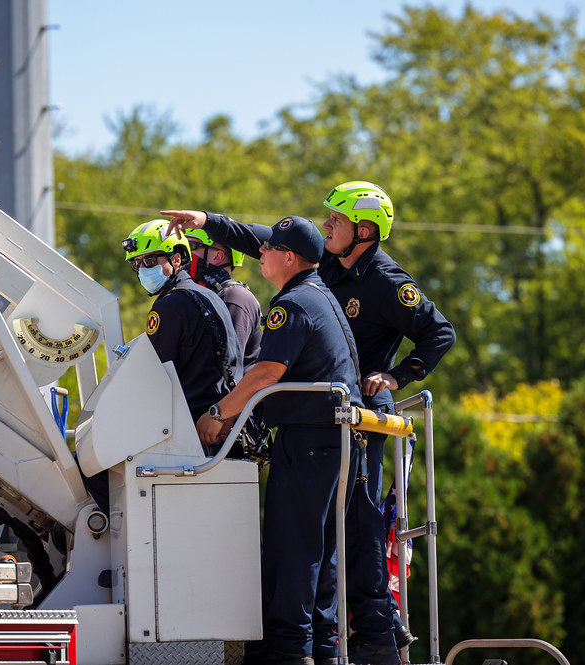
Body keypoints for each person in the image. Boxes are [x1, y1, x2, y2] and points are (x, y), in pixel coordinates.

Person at [165, 181, 454, 658]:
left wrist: (396, 376)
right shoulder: (326, 272)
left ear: (364, 231)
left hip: (358, 419)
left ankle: (377, 637)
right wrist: (208, 222)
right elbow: (267, 240)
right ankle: (331, 641)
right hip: (329, 420)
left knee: (355, 534)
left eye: (336, 221)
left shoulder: (384, 281)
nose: (327, 226)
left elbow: (438, 332)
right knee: (329, 542)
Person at [194, 215, 397, 665]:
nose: (260, 253)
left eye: (268, 249)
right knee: (320, 553)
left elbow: (268, 372)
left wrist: (218, 414)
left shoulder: (294, 304)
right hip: (337, 444)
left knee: (294, 549)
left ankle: (287, 650)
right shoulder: (318, 292)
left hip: (309, 443)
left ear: (287, 257)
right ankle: (319, 649)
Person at [121, 219, 243, 438]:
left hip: (188, 429)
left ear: (176, 258)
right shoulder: (209, 296)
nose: (142, 270)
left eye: (149, 260)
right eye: (136, 264)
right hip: (220, 424)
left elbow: (153, 375)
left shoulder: (169, 306)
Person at [182, 228, 263, 370]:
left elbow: (226, 365)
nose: (185, 254)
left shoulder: (234, 297)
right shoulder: (201, 295)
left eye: (191, 247)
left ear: (218, 256)